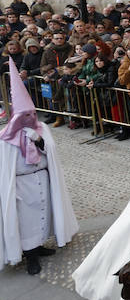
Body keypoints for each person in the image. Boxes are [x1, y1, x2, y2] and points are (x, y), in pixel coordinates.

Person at [0, 59, 78, 274]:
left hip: (41, 176)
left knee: (44, 213)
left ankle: (39, 246)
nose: (29, 119)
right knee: (27, 221)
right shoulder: (5, 139)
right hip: (22, 184)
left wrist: (39, 141)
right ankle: (30, 255)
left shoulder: (41, 128)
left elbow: (50, 151)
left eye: (31, 114)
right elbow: (5, 167)